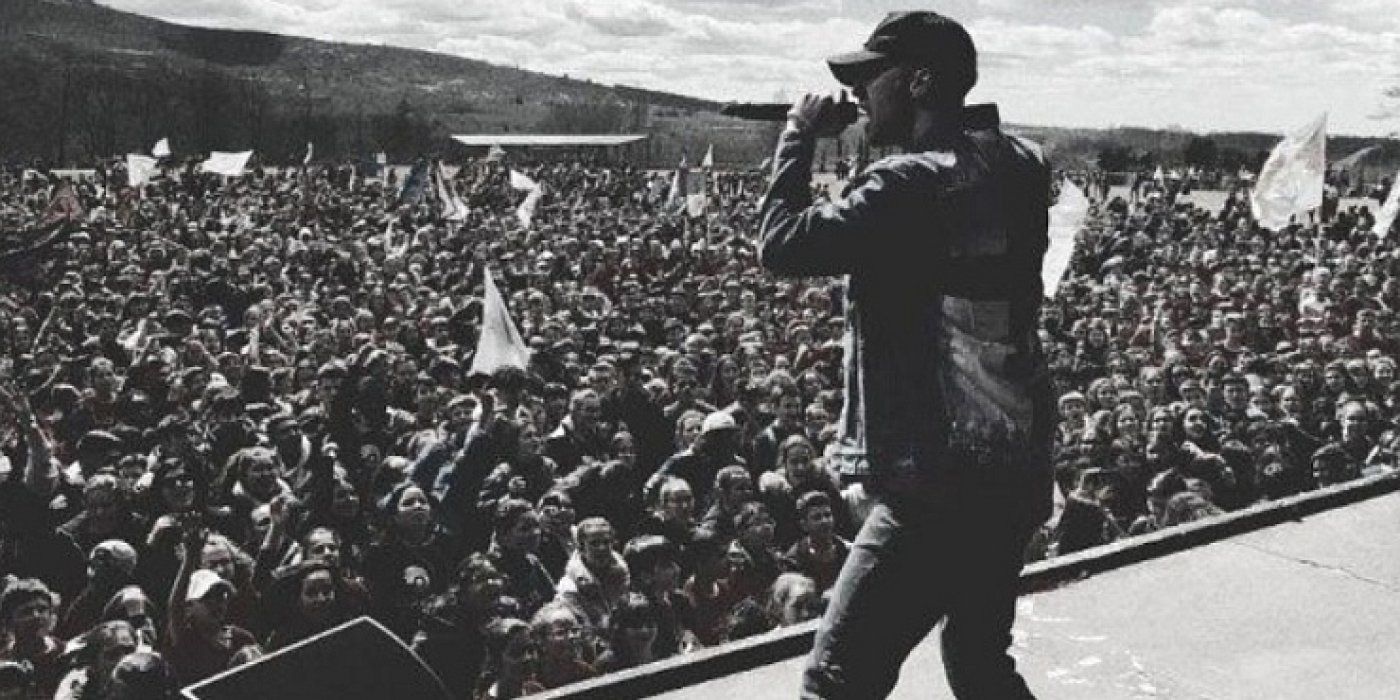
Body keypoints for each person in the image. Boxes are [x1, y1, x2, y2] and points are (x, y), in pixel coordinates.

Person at [760, 11, 1053, 698]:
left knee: (835, 681)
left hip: (938, 484)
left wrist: (799, 134)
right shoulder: (1022, 163)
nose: (858, 93)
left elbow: (781, 245)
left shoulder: (906, 183)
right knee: (979, 661)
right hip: (1015, 465)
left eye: (872, 77)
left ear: (920, 81)